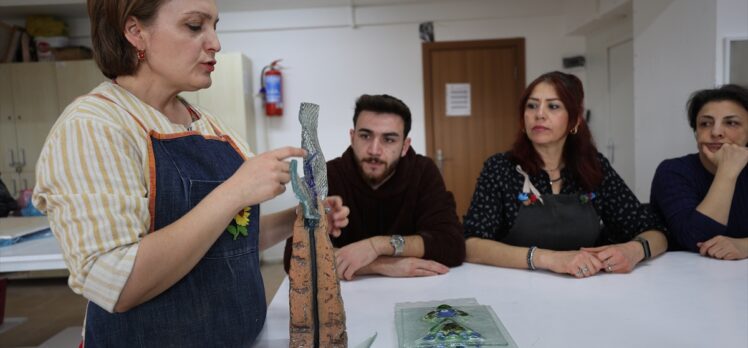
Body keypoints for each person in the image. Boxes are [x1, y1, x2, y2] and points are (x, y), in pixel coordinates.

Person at [31, 0, 349, 346]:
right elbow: (120, 284)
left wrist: (299, 219)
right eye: (195, 26)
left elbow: (230, 242)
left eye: (215, 26)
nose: (215, 43)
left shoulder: (209, 126)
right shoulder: (94, 127)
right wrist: (235, 191)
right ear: (136, 32)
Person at [463, 71, 667, 278]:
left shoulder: (595, 167)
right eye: (532, 105)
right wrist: (548, 258)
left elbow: (655, 232)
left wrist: (633, 251)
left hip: (586, 288)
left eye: (553, 106)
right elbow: (471, 245)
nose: (539, 114)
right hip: (515, 290)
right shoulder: (500, 168)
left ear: (574, 120)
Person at [284, 94, 465, 280]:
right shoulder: (327, 175)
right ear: (353, 138)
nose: (374, 150)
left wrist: (377, 246)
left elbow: (452, 245)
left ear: (405, 146)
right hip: (345, 297)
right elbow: (295, 257)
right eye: (365, 136)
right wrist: (381, 265)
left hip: (415, 292)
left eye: (389, 139)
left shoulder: (423, 172)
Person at [651, 84, 748, 260]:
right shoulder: (672, 171)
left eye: (731, 123)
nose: (716, 132)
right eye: (705, 123)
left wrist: (744, 246)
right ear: (696, 133)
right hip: (682, 278)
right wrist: (727, 172)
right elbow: (696, 238)